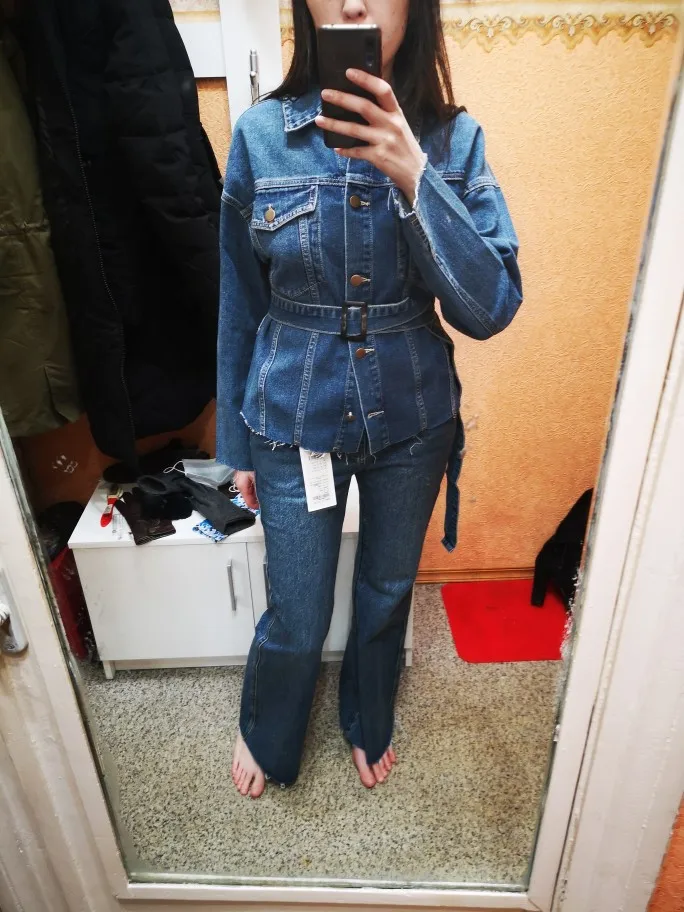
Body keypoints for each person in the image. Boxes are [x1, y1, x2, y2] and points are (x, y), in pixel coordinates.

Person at [217, 0, 523, 799]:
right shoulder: (259, 136)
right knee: (297, 610)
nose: (354, 3)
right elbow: (239, 302)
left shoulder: (453, 141)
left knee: (386, 595)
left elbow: (491, 307)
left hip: (413, 415)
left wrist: (415, 175)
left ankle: (368, 715)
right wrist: (236, 448)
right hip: (290, 415)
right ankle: (270, 727)